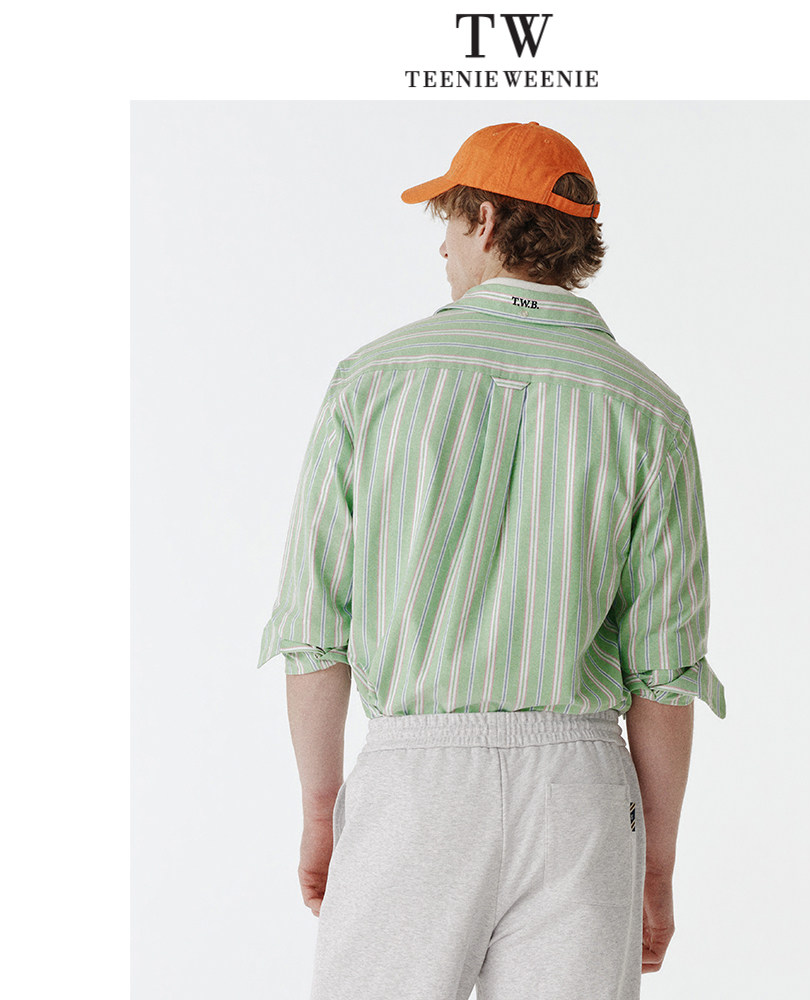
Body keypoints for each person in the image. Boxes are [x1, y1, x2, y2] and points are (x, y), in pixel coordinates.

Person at [257, 121, 727, 1000]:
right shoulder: (650, 410)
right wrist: (656, 863)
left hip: (415, 784)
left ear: (483, 218)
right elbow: (663, 675)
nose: (441, 246)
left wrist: (322, 811)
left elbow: (316, 629)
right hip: (580, 793)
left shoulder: (374, 380)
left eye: (447, 221)